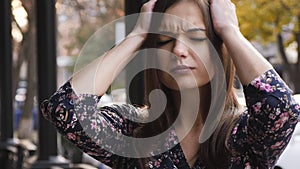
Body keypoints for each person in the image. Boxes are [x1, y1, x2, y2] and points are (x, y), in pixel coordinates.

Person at [41, 0, 300, 168]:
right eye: (165, 39)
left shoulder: (245, 135)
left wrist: (230, 31)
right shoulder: (134, 133)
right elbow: (66, 110)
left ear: (220, 48)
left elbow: (283, 110)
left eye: (196, 36)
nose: (178, 49)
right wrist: (137, 35)